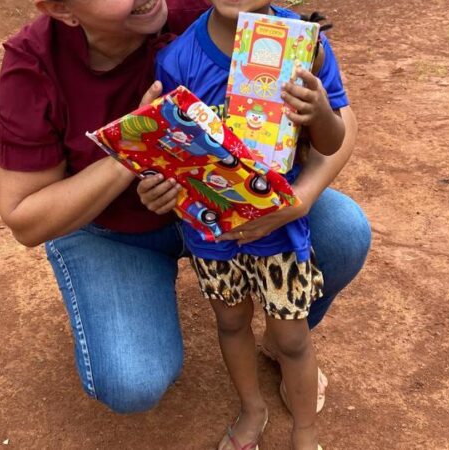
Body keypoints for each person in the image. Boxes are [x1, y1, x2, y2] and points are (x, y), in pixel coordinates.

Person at [0, 0, 370, 418]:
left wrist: (302, 199)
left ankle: (286, 341)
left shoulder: (214, 10)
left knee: (344, 233)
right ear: (62, 10)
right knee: (131, 379)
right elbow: (25, 220)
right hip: (119, 231)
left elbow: (341, 119)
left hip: (235, 208)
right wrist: (135, 149)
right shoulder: (33, 67)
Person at [154, 1, 346, 448]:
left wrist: (317, 109)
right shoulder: (178, 59)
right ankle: (253, 409)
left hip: (278, 225)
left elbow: (332, 141)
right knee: (231, 320)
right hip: (212, 229)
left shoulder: (306, 44)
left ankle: (304, 430)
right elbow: (171, 149)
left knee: (292, 337)